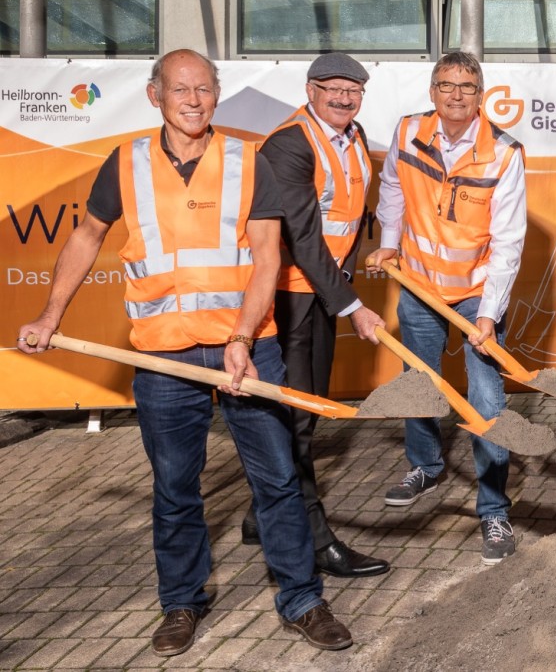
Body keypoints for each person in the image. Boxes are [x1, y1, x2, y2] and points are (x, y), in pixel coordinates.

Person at [15, 49, 352, 656]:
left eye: (204, 89)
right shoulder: (127, 163)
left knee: (277, 481)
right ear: (155, 96)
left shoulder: (249, 161)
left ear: (216, 96)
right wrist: (49, 315)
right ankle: (181, 603)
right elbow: (87, 235)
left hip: (246, 353)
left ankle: (302, 599)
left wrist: (243, 340)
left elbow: (268, 259)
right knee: (175, 488)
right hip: (162, 361)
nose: (193, 100)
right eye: (180, 89)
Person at [365, 51, 526, 565]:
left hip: (477, 288)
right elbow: (391, 187)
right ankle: (426, 466)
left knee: (485, 397)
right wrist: (390, 241)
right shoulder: (409, 131)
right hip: (418, 282)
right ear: (432, 91)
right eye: (446, 85)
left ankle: (494, 510)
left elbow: (509, 241)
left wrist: (489, 313)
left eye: (467, 86)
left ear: (481, 96)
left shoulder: (504, 152)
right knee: (420, 379)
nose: (456, 95)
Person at [243, 52, 389, 579]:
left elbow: (346, 223)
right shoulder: (289, 144)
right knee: (298, 418)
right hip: (287, 299)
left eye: (353, 90)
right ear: (310, 90)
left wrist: (343, 288)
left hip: (322, 294)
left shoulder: (353, 136)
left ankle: (261, 513)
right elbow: (302, 237)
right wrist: (351, 306)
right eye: (333, 88)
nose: (344, 98)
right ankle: (314, 539)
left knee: (302, 412)